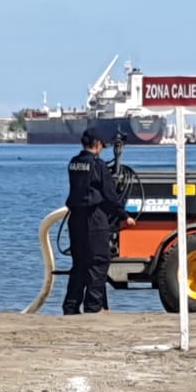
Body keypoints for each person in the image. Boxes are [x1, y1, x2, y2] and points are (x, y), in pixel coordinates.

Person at [61, 129, 134, 314]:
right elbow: (109, 195)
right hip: (94, 219)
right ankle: (93, 308)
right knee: (99, 262)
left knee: (80, 263)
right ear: (97, 144)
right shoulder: (97, 165)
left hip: (75, 218)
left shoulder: (74, 163)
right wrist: (124, 216)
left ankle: (70, 307)